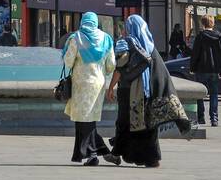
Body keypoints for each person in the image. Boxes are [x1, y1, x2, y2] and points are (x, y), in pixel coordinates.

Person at [107, 14, 180, 167]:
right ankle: (150, 158)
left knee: (124, 122)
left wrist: (111, 87)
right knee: (147, 125)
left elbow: (119, 68)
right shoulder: (150, 45)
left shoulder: (126, 43)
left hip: (129, 91)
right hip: (147, 92)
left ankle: (120, 152)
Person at [62, 11, 119, 166]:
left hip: (81, 84)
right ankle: (99, 152)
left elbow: (68, 61)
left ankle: (92, 153)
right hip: (98, 84)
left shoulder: (76, 38)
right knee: (88, 119)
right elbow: (111, 65)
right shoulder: (106, 39)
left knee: (83, 119)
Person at [188, 14, 221, 127]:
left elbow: (195, 53)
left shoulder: (200, 36)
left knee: (200, 94)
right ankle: (214, 119)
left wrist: (192, 67)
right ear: (212, 23)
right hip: (214, 70)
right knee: (214, 94)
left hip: (201, 69)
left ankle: (201, 118)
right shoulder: (219, 37)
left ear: (202, 23)